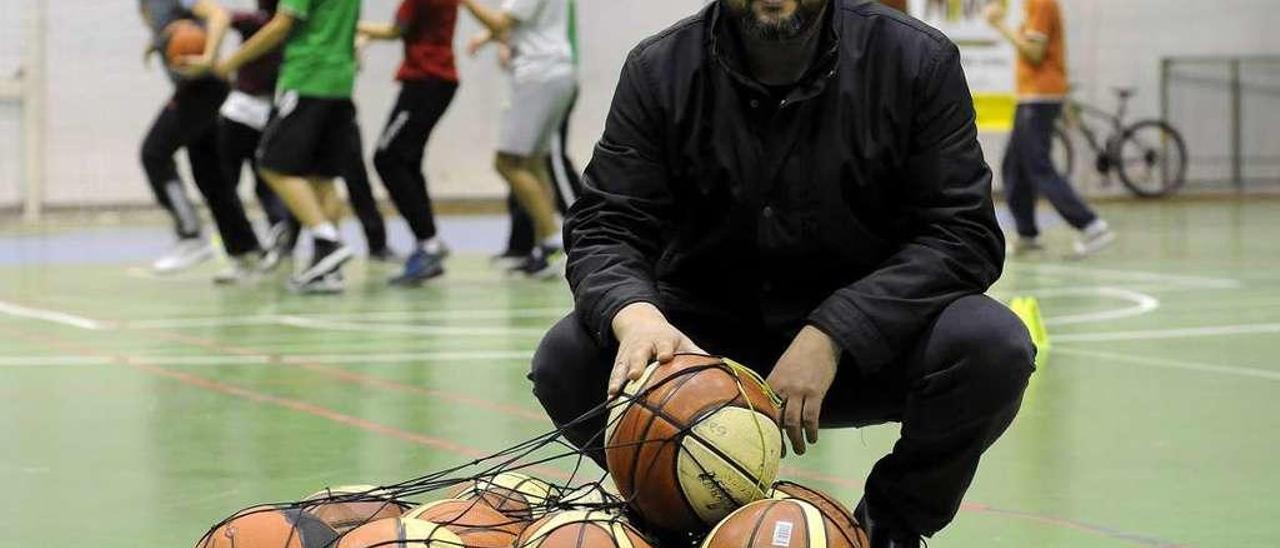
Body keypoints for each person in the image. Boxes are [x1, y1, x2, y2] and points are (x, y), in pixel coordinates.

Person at [528, 1, 1035, 546]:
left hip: (863, 353)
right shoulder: (659, 69)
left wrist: (837, 330)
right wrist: (636, 315)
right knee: (568, 359)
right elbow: (607, 225)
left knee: (992, 345)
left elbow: (964, 234)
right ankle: (680, 514)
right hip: (701, 354)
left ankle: (887, 528)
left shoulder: (917, 60)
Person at [213, 0, 361, 293]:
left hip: (307, 78)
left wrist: (230, 62)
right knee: (323, 177)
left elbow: (280, 25)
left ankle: (327, 241)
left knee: (271, 164)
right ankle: (328, 272)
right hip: (341, 81)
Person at [139, 0, 266, 277]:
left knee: (154, 153)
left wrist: (209, 56)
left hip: (202, 88)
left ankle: (191, 237)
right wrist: (158, 43)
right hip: (200, 90)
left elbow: (219, 15)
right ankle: (246, 252)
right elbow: (176, 27)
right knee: (211, 176)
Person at [985, 0, 1115, 257]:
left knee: (1038, 165)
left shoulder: (1040, 3)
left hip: (1040, 96)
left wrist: (999, 24)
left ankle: (1091, 226)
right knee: (1014, 167)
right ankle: (1028, 235)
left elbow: (1035, 52)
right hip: (1031, 97)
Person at [460, 0, 578, 277]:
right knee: (534, 163)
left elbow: (502, 23)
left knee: (507, 163)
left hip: (539, 74)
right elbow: (513, 23)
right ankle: (546, 246)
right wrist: (487, 36)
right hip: (552, 72)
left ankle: (553, 243)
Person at [357, 0, 461, 285]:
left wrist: (351, 27)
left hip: (427, 81)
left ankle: (428, 243)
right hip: (433, 80)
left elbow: (396, 30)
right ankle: (428, 242)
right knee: (407, 160)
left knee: (387, 158)